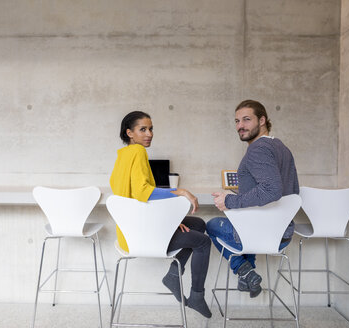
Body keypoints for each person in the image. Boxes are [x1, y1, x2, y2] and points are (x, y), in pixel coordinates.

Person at [110, 111, 212, 318]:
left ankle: (174, 275)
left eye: (151, 129)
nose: (149, 133)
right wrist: (180, 191)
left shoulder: (122, 156)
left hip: (130, 231)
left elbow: (134, 200)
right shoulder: (138, 152)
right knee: (203, 242)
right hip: (142, 234)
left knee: (198, 224)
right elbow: (142, 193)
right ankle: (197, 296)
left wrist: (171, 222)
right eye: (143, 129)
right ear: (130, 133)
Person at [206, 99, 299, 298]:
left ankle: (245, 270)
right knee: (246, 221)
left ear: (262, 120)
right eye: (237, 121)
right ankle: (247, 276)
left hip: (258, 234)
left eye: (247, 119)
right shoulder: (281, 147)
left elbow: (271, 190)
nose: (240, 126)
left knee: (212, 225)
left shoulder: (258, 149)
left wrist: (229, 201)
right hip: (280, 236)